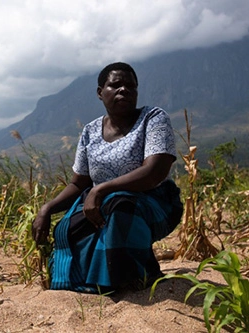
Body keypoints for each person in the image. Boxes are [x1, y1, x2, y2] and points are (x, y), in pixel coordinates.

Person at [31, 62, 183, 293]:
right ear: (100, 93)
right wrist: (47, 209)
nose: (124, 90)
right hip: (103, 204)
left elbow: (154, 173)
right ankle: (83, 282)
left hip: (155, 203)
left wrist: (100, 190)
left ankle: (132, 278)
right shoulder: (90, 131)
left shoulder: (152, 118)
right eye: (116, 85)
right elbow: (78, 182)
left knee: (121, 206)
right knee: (69, 227)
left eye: (130, 86)